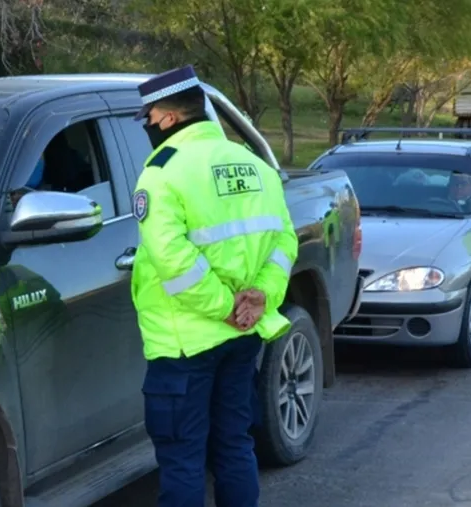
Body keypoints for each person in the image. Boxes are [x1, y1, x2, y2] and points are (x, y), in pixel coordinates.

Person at [129, 65, 297, 507]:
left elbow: (174, 261)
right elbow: (284, 239)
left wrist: (224, 307)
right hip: (241, 338)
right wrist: (261, 297)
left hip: (184, 343)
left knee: (182, 459)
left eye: (148, 117)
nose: (148, 126)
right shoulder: (254, 165)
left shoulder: (161, 173)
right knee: (234, 445)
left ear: (166, 117)